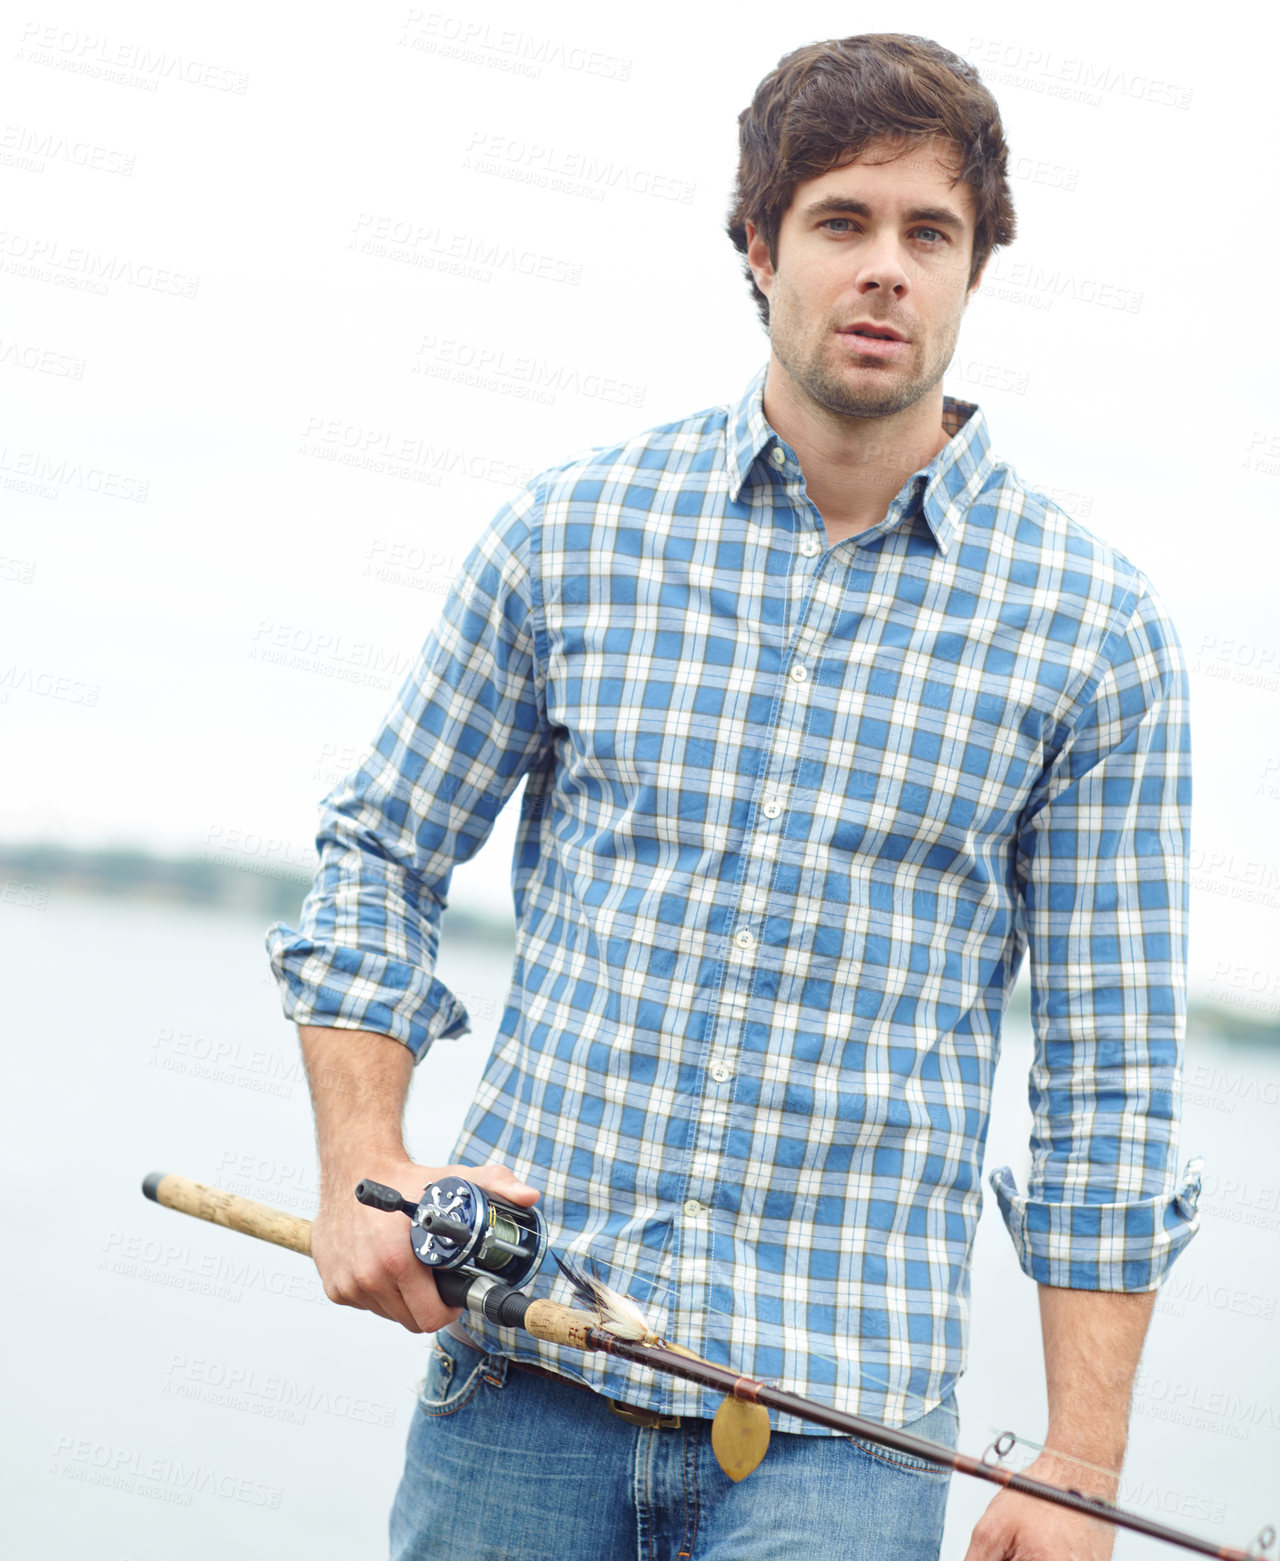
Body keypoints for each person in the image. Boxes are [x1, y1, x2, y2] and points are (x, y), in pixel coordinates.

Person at [267, 32, 1201, 1561]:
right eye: (842, 221)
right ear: (760, 249)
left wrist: (1077, 1461)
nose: (885, 269)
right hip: (519, 1380)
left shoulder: (1094, 631)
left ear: (977, 271)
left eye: (930, 233)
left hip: (841, 1448)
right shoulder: (572, 535)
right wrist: (363, 1164)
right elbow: (377, 854)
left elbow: (1109, 1077)